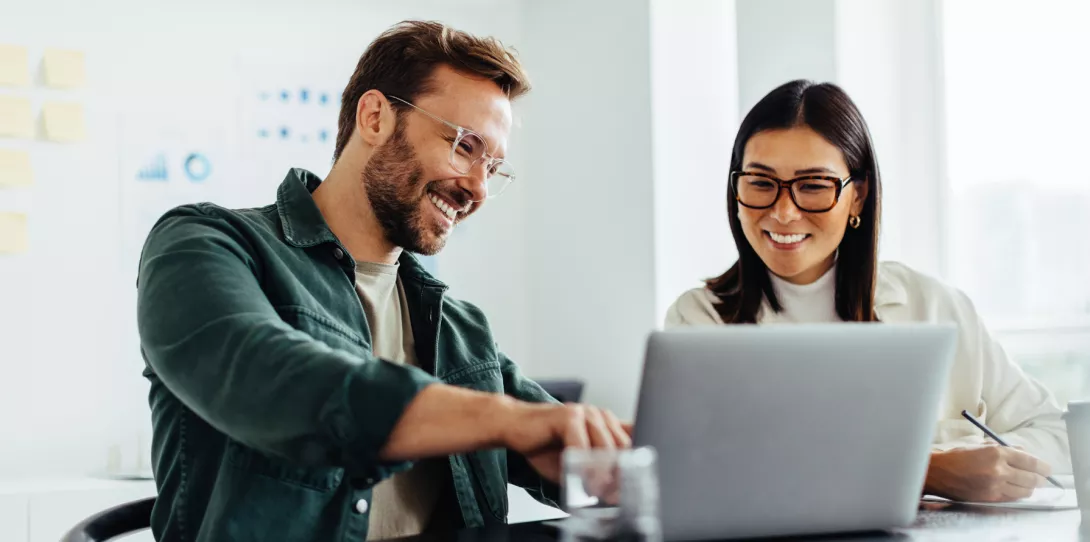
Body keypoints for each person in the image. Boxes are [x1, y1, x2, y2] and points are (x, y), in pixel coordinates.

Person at [137, 21, 629, 542]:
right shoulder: (205, 243)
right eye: (464, 146)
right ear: (374, 117)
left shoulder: (461, 330)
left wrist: (626, 455)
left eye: (494, 167)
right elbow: (274, 377)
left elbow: (559, 439)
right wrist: (505, 419)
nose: (478, 188)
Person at [665, 80, 1069, 503]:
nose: (783, 212)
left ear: (857, 197)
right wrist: (925, 470)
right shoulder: (699, 321)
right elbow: (703, 469)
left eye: (814, 186)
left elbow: (1057, 435)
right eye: (761, 183)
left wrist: (988, 465)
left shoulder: (932, 306)